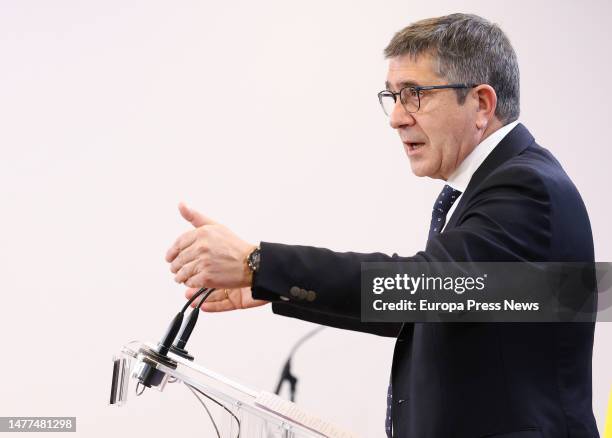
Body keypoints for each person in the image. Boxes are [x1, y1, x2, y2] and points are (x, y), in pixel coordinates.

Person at [165, 13, 599, 438]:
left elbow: (425, 290)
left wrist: (260, 263)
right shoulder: (488, 189)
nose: (396, 118)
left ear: (481, 104)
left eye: (415, 94)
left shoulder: (526, 187)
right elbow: (431, 308)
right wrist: (265, 281)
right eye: (392, 96)